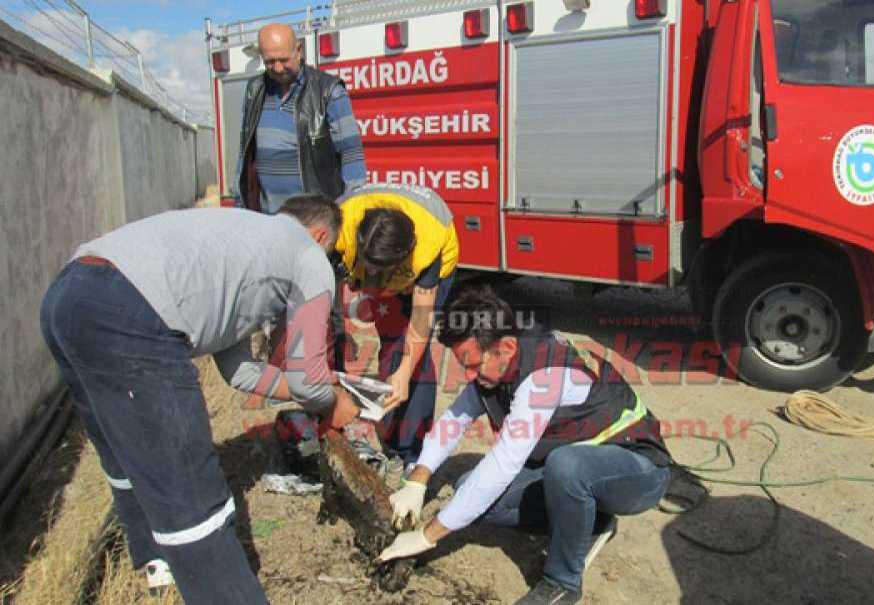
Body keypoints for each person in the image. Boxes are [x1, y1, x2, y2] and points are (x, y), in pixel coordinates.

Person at [39, 195, 352, 604]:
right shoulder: (308, 254)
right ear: (320, 234)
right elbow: (310, 381)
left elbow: (239, 371)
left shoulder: (244, 244)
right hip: (128, 310)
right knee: (194, 497)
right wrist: (332, 401)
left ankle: (156, 563)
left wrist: (308, 388)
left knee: (125, 452)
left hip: (67, 296)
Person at [375, 285, 673, 604]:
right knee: (473, 493)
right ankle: (590, 524)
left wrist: (426, 536)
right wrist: (417, 481)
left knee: (566, 468)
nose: (470, 374)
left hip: (637, 469)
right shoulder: (499, 362)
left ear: (506, 347)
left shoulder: (543, 377)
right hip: (583, 461)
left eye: (474, 365)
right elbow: (455, 419)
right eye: (465, 365)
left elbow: (503, 462)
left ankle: (562, 582)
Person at [332, 183, 460, 471]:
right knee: (391, 342)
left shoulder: (430, 242)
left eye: (386, 272)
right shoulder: (340, 225)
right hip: (367, 252)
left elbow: (420, 318)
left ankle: (413, 451)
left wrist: (404, 372)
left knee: (414, 356)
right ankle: (388, 439)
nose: (379, 280)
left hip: (436, 270)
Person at [237, 23, 365, 214]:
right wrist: (240, 204)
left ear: (298, 51)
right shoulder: (255, 90)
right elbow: (245, 154)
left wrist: (351, 210)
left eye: (283, 59)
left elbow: (351, 153)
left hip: (314, 221)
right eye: (270, 61)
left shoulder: (328, 91)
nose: (278, 68)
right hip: (267, 220)